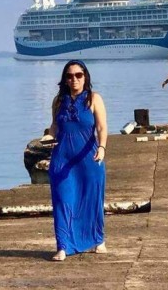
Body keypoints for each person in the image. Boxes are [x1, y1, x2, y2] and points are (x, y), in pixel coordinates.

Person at [47, 60, 108, 261]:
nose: (74, 79)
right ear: (64, 79)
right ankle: (63, 246)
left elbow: (101, 127)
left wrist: (102, 147)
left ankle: (96, 240)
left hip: (88, 158)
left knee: (91, 200)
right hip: (62, 158)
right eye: (70, 76)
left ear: (85, 77)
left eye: (78, 75)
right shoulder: (58, 102)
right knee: (63, 201)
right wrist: (48, 136)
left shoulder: (94, 98)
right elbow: (55, 126)